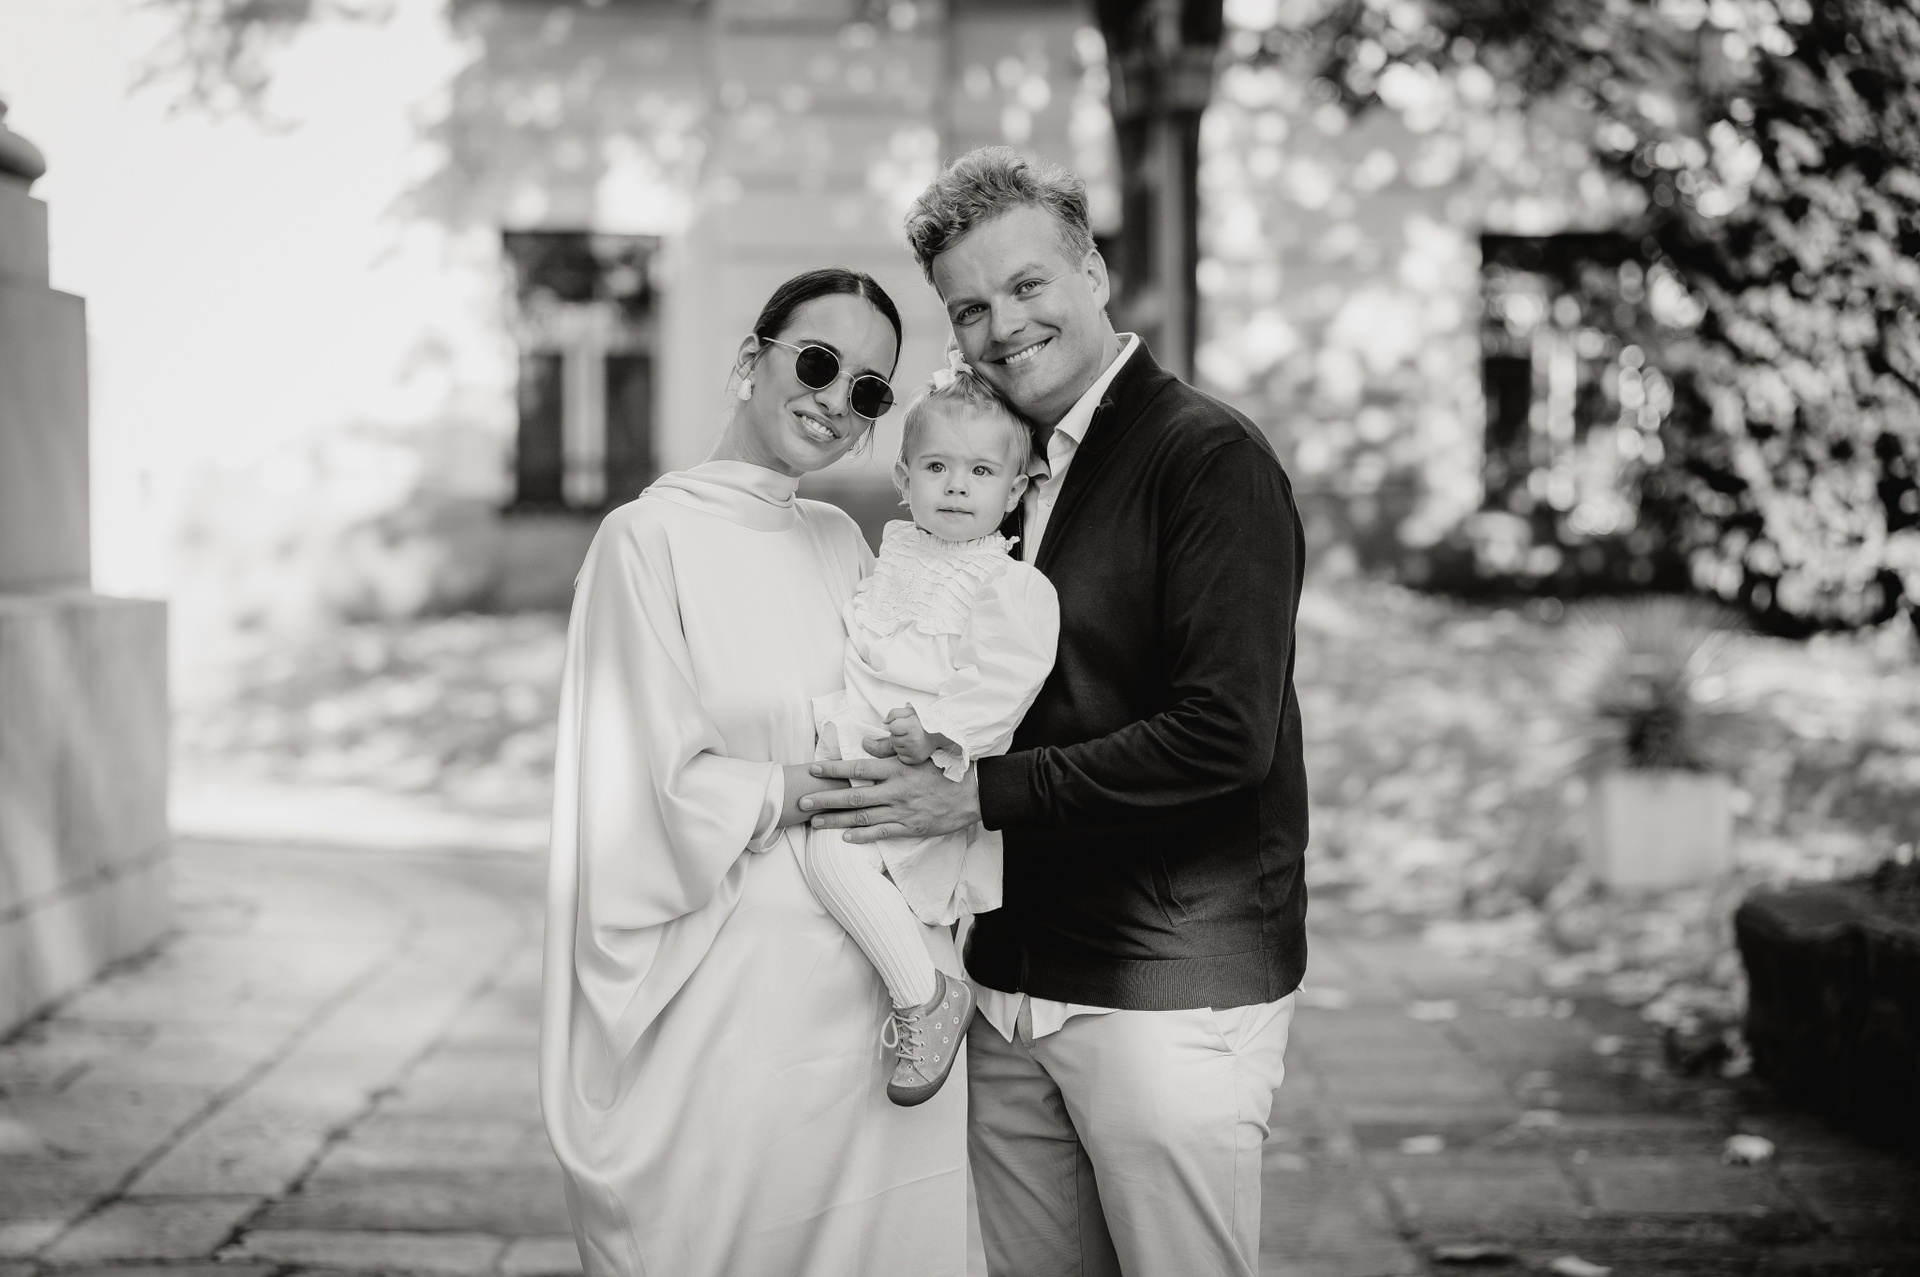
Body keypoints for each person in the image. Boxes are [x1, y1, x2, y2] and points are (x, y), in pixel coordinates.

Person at [803, 148, 1311, 1277]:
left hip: (1164, 997)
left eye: (1028, 284)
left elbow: (1225, 733)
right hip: (1005, 988)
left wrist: (973, 793)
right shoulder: (987, 469)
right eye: (969, 307)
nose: (1003, 325)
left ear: (1093, 273)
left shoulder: (1208, 459)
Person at [540, 267, 968, 1277]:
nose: (836, 400)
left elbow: (900, 710)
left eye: (869, 389)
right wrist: (806, 785)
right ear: (750, 361)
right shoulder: (644, 540)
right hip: (735, 1009)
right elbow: (637, 786)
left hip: (873, 1010)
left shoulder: (841, 541)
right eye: (817, 363)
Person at [802, 358, 1059, 1107]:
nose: (956, 486)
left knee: (833, 856)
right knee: (859, 877)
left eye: (981, 472)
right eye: (937, 467)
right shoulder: (894, 556)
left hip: (934, 773)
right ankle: (930, 990)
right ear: (903, 478)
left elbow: (1006, 680)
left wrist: (939, 734)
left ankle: (928, 999)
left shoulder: (1006, 583)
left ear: (1014, 491)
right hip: (867, 748)